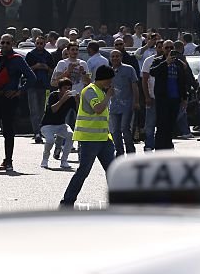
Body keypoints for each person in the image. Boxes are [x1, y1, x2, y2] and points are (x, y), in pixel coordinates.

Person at [60, 65, 117, 207]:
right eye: (110, 80)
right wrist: (109, 96)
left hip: (104, 138)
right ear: (104, 79)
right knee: (83, 171)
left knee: (113, 171)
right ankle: (67, 201)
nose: (111, 83)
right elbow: (98, 109)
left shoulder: (100, 91)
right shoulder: (90, 91)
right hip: (89, 139)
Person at [0, 34, 35, 172]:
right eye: (2, 42)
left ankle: (8, 161)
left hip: (9, 99)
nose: (4, 45)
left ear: (12, 44)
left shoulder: (18, 60)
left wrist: (19, 91)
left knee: (8, 131)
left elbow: (32, 78)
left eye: (7, 43)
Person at [148, 41, 193, 150]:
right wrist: (166, 63)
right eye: (166, 47)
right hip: (163, 98)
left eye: (171, 47)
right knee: (162, 123)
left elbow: (183, 81)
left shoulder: (179, 63)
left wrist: (185, 98)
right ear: (163, 49)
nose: (169, 49)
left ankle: (168, 146)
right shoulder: (158, 60)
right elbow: (152, 72)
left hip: (175, 97)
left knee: (171, 124)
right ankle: (159, 147)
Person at [107, 49, 139, 156]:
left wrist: (136, 101)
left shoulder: (129, 69)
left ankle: (130, 152)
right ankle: (119, 152)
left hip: (127, 104)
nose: (115, 58)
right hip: (114, 105)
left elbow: (134, 86)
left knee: (125, 128)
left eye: (117, 56)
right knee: (115, 131)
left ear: (121, 57)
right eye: (113, 57)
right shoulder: (109, 71)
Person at [40, 77, 76, 169]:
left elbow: (78, 111)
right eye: (65, 88)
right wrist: (63, 99)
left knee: (71, 135)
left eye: (69, 88)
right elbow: (53, 110)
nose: (67, 90)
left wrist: (78, 100)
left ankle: (64, 160)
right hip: (47, 125)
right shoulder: (53, 95)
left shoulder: (71, 98)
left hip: (61, 125)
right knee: (50, 140)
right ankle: (45, 159)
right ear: (60, 89)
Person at [25, 35, 54, 143]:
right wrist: (35, 66)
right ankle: (36, 132)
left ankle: (41, 131)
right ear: (35, 43)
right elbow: (25, 70)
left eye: (41, 43)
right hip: (33, 85)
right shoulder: (30, 55)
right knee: (34, 110)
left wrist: (46, 68)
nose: (39, 45)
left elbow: (53, 70)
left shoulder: (48, 56)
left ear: (44, 43)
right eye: (38, 43)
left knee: (42, 110)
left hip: (44, 85)